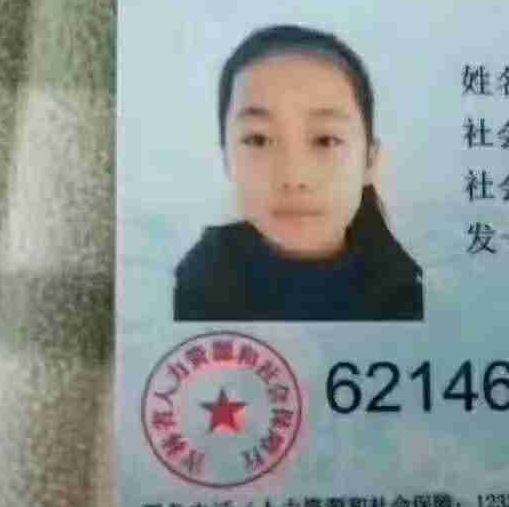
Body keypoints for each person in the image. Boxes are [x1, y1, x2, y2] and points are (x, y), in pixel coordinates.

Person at [174, 25, 424, 322]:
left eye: (326, 140)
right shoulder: (192, 294)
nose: (294, 178)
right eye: (258, 140)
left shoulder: (413, 301)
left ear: (369, 160)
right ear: (226, 157)